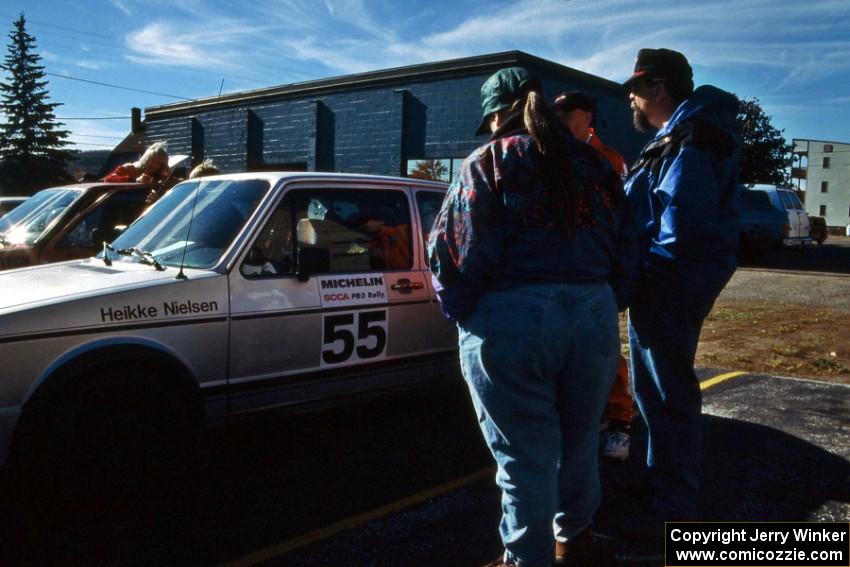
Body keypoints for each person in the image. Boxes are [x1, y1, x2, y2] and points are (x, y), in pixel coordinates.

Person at [428, 67, 636, 567]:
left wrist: (467, 315)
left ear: (498, 114)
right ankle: (575, 536)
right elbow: (628, 252)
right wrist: (600, 301)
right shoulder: (596, 163)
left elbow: (452, 253)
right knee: (581, 437)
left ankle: (527, 557)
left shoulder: (489, 161)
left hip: (513, 317)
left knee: (524, 457)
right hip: (593, 316)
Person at [621, 48, 740, 535]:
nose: (630, 97)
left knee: (667, 394)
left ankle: (672, 511)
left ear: (657, 88)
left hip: (667, 284)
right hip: (664, 283)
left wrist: (640, 275)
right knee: (653, 391)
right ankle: (660, 485)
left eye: (635, 87)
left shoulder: (688, 141)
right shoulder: (684, 134)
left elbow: (682, 229)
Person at [553, 91, 634, 462]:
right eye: (557, 112)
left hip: (595, 270)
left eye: (567, 112)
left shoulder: (608, 160)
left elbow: (622, 220)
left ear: (587, 116)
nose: (560, 118)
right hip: (558, 269)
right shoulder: (549, 154)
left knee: (605, 349)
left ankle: (619, 422)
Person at [103, 142, 170, 185]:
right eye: (152, 160)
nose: (154, 165)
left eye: (159, 163)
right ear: (146, 158)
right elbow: (107, 180)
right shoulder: (130, 168)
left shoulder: (159, 176)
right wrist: (133, 180)